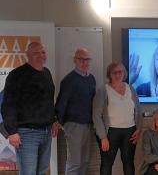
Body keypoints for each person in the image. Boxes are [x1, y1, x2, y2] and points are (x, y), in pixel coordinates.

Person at [1, 42, 59, 175]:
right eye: (36, 53)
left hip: (46, 132)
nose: (41, 55)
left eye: (43, 52)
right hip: (26, 134)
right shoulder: (17, 75)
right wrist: (11, 132)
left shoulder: (47, 73)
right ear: (28, 55)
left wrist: (53, 120)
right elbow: (8, 105)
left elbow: (49, 101)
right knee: (29, 172)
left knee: (42, 171)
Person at [93, 62, 142, 175]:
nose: (118, 74)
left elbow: (138, 111)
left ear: (124, 73)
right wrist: (103, 137)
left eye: (120, 71)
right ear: (109, 74)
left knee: (129, 163)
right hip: (110, 133)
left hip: (130, 131)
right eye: (114, 72)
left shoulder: (131, 89)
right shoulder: (103, 90)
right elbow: (96, 115)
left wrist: (138, 129)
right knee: (107, 163)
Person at [55, 48, 96, 175]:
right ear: (75, 60)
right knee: (75, 162)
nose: (85, 63)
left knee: (84, 161)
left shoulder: (91, 79)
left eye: (87, 59)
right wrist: (58, 122)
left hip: (88, 125)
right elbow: (61, 102)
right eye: (81, 59)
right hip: (73, 125)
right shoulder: (69, 80)